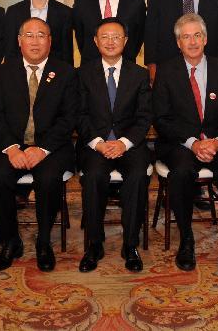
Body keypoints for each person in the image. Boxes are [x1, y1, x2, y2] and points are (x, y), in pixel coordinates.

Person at [153, 13, 218, 272]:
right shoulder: (166, 72)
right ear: (178, 42)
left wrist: (216, 142)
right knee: (181, 172)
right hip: (180, 143)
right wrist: (192, 143)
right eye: (185, 37)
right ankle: (186, 240)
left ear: (205, 39)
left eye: (197, 35)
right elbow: (162, 118)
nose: (192, 42)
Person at [0, 18, 78, 272]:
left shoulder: (66, 72)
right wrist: (12, 148)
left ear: (50, 41)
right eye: (29, 35)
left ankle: (44, 240)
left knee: (49, 179)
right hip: (12, 147)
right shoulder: (4, 71)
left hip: (51, 147)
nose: (35, 41)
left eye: (41, 35)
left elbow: (69, 118)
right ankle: (10, 240)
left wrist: (42, 149)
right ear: (19, 41)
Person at [77, 18, 152, 273]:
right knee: (94, 176)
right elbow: (80, 115)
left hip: (130, 144)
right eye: (105, 37)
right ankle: (94, 244)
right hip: (95, 145)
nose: (110, 42)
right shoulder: (83, 74)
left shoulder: (139, 74)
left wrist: (123, 142)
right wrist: (99, 144)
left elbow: (144, 117)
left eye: (116, 37)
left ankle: (130, 245)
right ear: (96, 42)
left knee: (138, 176)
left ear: (126, 41)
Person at [1, 0, 73, 65]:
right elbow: (10, 50)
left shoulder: (65, 12)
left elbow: (66, 53)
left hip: (55, 73)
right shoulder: (13, 12)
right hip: (20, 73)